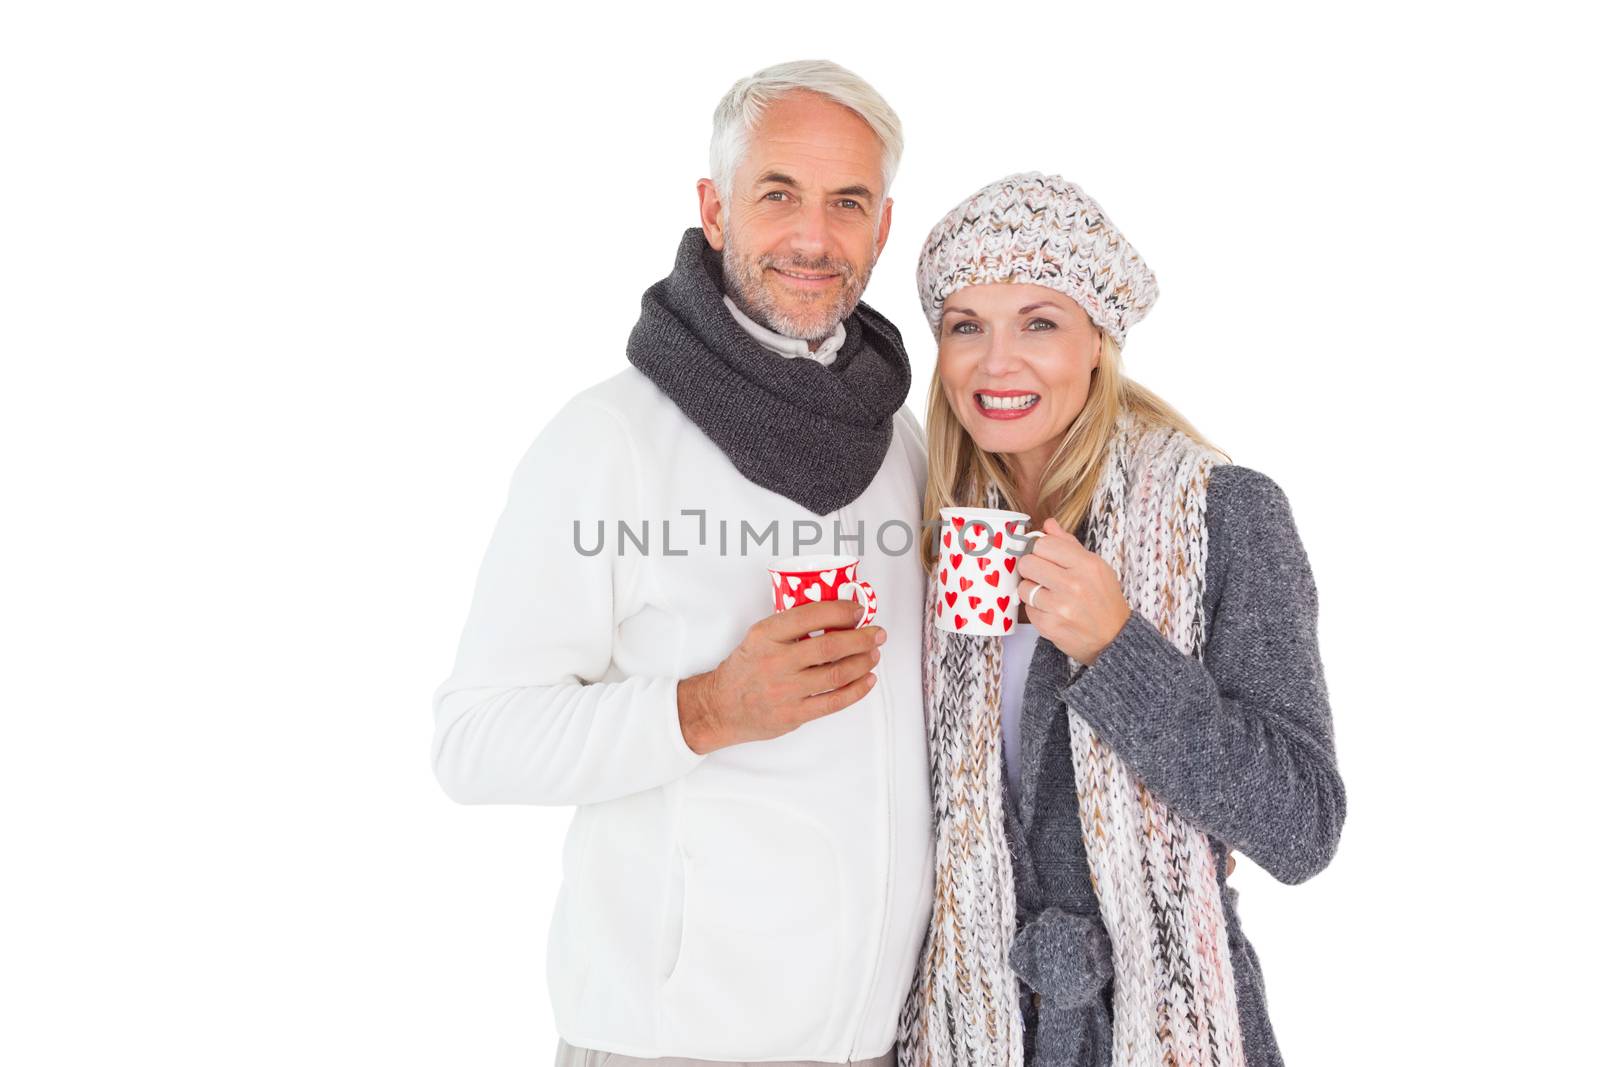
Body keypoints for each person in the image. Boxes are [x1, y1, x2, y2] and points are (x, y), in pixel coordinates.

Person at [430, 61, 934, 1066]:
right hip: (670, 1045)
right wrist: (707, 706)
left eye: (847, 203)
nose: (811, 237)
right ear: (714, 208)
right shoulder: (609, 441)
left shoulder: (901, 439)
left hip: (877, 1043)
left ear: (882, 229)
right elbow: (473, 740)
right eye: (777, 193)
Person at [895, 173, 1346, 1067]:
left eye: (1039, 322)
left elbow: (1303, 827)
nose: (997, 363)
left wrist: (1118, 649)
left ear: (1098, 340)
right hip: (966, 1025)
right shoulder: (930, 526)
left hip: (1160, 1026)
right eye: (966, 326)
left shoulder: (1225, 514)